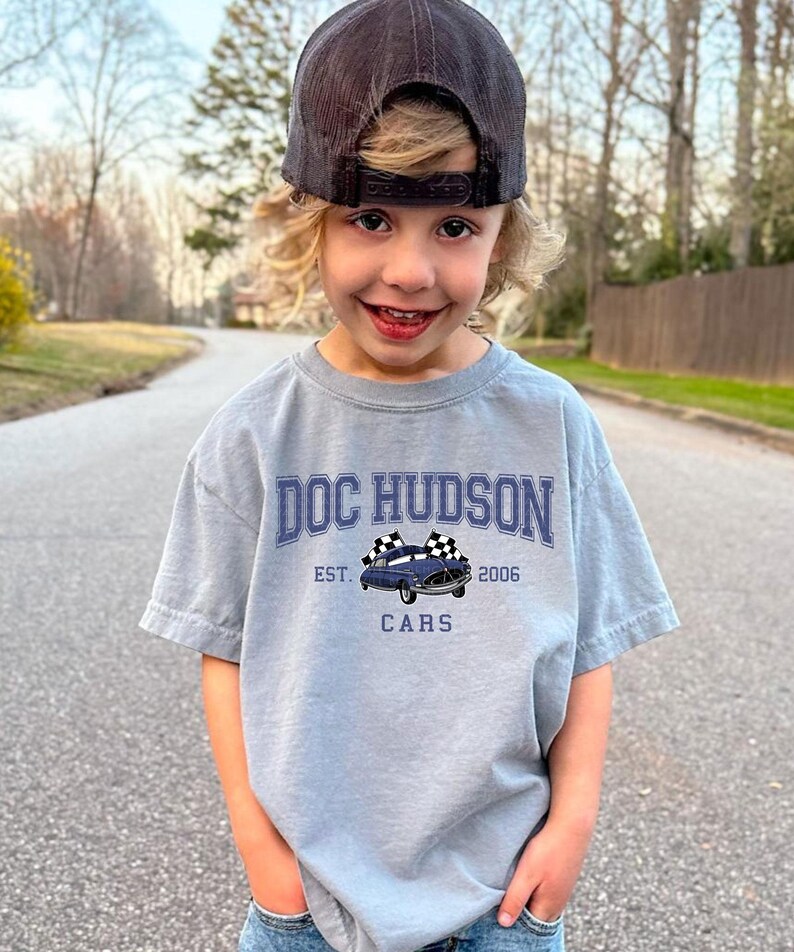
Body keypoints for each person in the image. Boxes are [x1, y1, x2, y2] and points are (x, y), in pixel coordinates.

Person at [138, 1, 681, 950]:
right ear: (308, 220)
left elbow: (593, 638)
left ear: (503, 234)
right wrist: (260, 846)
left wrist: (573, 822)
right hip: (307, 902)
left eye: (457, 226)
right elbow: (220, 645)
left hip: (502, 900)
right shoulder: (255, 436)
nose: (411, 269)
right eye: (373, 218)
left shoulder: (550, 424)